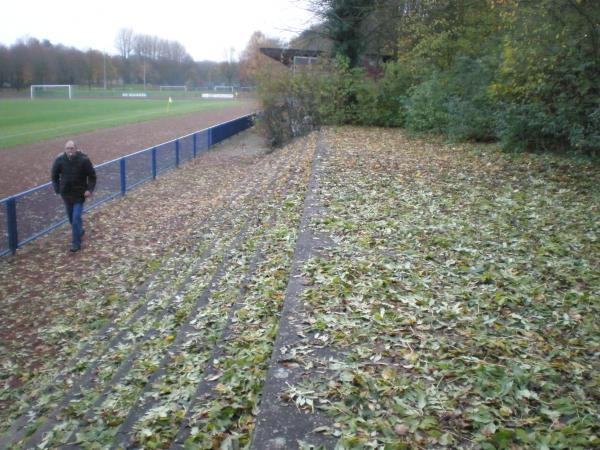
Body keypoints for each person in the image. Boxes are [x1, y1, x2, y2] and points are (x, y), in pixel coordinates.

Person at [51, 140, 97, 252]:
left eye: (72, 148)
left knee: (76, 218)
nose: (70, 151)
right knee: (72, 219)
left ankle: (76, 243)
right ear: (65, 149)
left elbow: (92, 176)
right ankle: (79, 231)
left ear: (76, 149)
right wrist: (57, 189)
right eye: (67, 148)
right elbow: (54, 175)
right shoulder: (60, 160)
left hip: (79, 195)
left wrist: (89, 190)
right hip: (66, 195)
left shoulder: (84, 160)